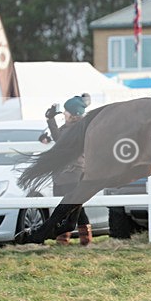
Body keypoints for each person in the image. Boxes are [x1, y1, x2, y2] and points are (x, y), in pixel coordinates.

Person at [45, 96, 93, 246]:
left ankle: (65, 239)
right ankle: (82, 238)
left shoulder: (79, 128)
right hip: (64, 174)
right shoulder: (67, 127)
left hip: (74, 173)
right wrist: (44, 136)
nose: (64, 113)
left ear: (73, 113)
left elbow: (61, 140)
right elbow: (56, 136)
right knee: (73, 207)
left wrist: (50, 119)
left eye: (66, 111)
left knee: (71, 207)